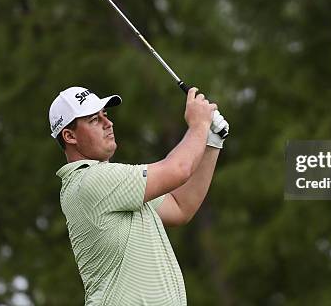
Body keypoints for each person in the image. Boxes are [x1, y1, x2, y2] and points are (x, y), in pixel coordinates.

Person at [49, 86, 229, 305]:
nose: (108, 123)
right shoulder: (90, 181)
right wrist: (199, 125)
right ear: (69, 136)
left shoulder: (115, 188)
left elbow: (180, 207)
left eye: (105, 115)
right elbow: (179, 169)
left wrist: (211, 141)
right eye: (94, 120)